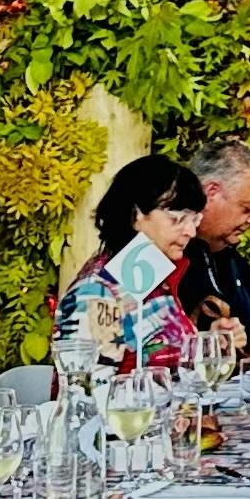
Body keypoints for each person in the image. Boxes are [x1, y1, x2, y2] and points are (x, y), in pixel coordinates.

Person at [55, 154, 210, 373]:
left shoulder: (152, 276)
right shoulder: (98, 292)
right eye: (177, 218)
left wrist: (211, 343)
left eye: (194, 219)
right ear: (137, 214)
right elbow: (91, 391)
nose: (190, 231)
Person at [180, 140, 250, 362]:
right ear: (211, 192)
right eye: (249, 208)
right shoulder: (162, 260)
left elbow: (244, 351)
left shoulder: (236, 263)